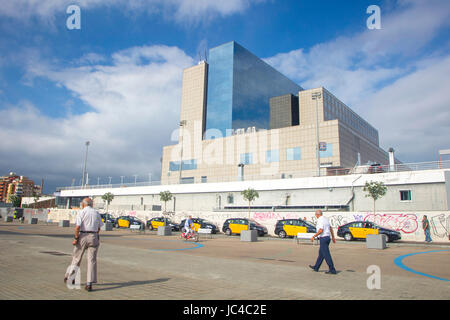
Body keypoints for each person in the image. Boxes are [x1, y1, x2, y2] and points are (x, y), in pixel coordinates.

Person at [64, 197, 103, 292]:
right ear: (91, 204)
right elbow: (99, 227)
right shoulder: (96, 213)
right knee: (92, 260)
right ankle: (89, 283)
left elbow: (77, 227)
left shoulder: (82, 212)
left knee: (77, 258)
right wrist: (95, 234)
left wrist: (76, 238)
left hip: (83, 235)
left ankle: (71, 278)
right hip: (94, 236)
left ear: (83, 204)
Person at [309, 210, 337, 274]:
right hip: (327, 237)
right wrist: (333, 237)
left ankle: (332, 269)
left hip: (323, 238)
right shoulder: (325, 219)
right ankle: (316, 267)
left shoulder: (320, 220)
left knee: (326, 254)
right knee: (321, 254)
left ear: (317, 214)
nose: (315, 215)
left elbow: (321, 230)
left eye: (315, 214)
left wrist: (314, 236)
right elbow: (330, 228)